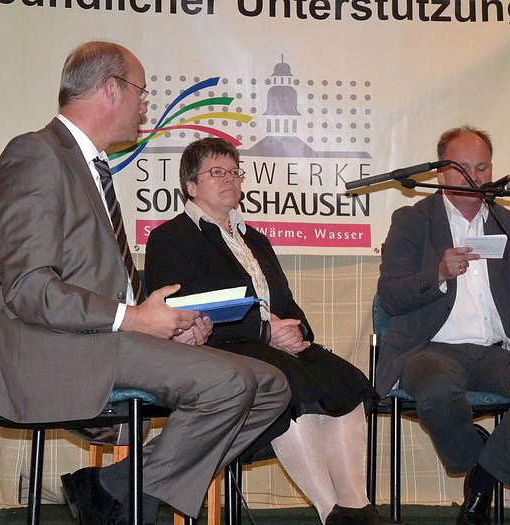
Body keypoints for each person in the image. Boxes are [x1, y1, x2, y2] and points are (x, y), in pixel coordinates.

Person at [0, 42, 290, 524]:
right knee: (230, 383)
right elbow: (28, 289)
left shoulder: (91, 167)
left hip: (105, 336)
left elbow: (103, 284)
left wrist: (166, 324)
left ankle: (115, 487)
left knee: (272, 385)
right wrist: (134, 319)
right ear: (111, 89)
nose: (144, 105)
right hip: (57, 345)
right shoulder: (37, 154)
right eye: (140, 92)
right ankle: (125, 499)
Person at [145, 137, 389, 525]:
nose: (229, 179)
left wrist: (296, 329)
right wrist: (265, 331)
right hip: (219, 346)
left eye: (234, 172)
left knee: (345, 381)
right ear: (191, 186)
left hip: (271, 343)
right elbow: (178, 310)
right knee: (292, 383)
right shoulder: (171, 237)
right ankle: (331, 512)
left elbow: (284, 301)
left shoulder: (254, 239)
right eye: (216, 172)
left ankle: (356, 507)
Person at [376, 126, 510, 525]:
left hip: (493, 351)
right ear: (441, 173)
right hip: (429, 350)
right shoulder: (413, 221)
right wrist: (438, 272)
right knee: (438, 390)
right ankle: (488, 458)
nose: (473, 177)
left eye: (481, 168)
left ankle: (482, 481)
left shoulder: (509, 224)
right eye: (462, 168)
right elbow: (391, 296)